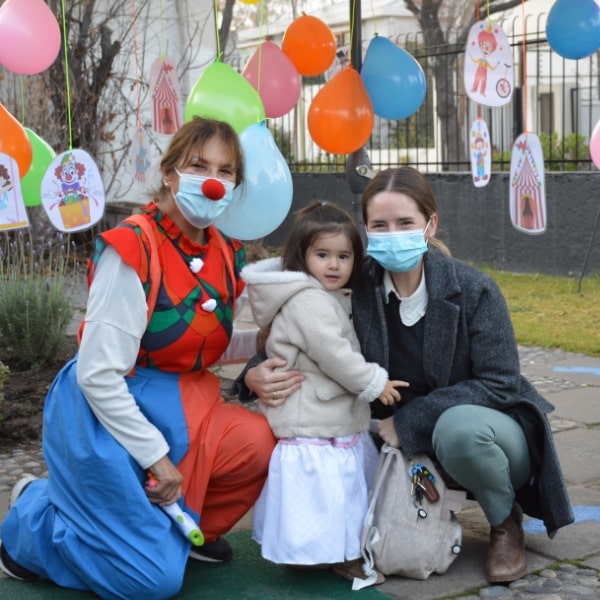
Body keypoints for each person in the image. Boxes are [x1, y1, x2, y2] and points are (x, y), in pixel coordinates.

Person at [241, 166, 574, 585]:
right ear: (365, 229)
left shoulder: (474, 290)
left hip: (486, 436)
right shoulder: (351, 285)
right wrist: (255, 374)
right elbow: (299, 333)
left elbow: (500, 383)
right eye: (379, 225)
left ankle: (504, 521)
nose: (392, 233)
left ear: (430, 224)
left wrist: (412, 419)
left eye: (405, 223)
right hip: (386, 440)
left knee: (458, 429)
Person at [0, 116, 276, 599]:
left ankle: (180, 533)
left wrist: (259, 343)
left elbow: (196, 345)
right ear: (170, 173)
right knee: (149, 582)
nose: (213, 180)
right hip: (110, 415)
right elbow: (98, 373)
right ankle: (34, 521)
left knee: (256, 441)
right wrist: (155, 455)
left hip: (186, 405)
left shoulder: (224, 251)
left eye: (226, 170)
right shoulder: (134, 247)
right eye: (199, 164)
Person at [241, 201, 406, 584]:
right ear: (302, 257)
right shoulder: (309, 301)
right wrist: (373, 382)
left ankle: (307, 552)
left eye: (344, 256)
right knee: (334, 495)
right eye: (322, 255)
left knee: (316, 498)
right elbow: (334, 354)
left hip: (322, 414)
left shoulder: (320, 296)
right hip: (316, 420)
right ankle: (344, 555)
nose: (334, 265)